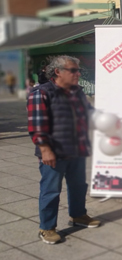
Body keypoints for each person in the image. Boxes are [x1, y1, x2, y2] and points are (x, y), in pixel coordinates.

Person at [27, 55, 100, 245]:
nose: (78, 74)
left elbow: (89, 114)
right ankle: (47, 227)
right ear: (58, 71)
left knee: (78, 186)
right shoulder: (41, 93)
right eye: (73, 70)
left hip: (76, 149)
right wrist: (45, 149)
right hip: (54, 152)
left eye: (79, 70)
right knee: (51, 190)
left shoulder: (77, 92)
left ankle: (78, 215)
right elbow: (37, 125)